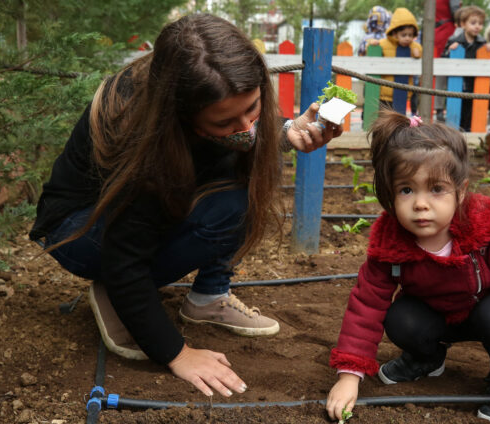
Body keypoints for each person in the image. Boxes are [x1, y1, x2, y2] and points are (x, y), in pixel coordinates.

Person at [29, 14, 342, 398]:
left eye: (254, 108)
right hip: (78, 232)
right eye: (226, 121)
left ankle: (208, 297)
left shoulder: (191, 90)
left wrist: (286, 130)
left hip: (122, 221)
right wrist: (177, 353)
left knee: (248, 168)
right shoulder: (146, 146)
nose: (247, 128)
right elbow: (126, 256)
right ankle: (112, 291)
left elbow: (243, 131)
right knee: (232, 202)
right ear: (182, 113)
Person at [326, 110, 490, 424]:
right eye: (407, 190)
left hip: (487, 313)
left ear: (460, 192)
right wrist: (349, 376)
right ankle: (427, 358)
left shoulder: (487, 231)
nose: (421, 204)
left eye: (436, 189)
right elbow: (366, 306)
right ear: (391, 195)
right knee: (400, 317)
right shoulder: (390, 243)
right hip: (434, 316)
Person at [443, 6, 487, 132]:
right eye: (473, 23)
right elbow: (443, 60)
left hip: (474, 83)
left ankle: (468, 132)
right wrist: (450, 50)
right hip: (457, 84)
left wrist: (489, 50)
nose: (477, 26)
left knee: (471, 110)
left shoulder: (482, 43)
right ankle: (454, 132)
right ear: (463, 24)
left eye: (480, 23)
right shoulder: (454, 40)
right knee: (456, 109)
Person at [374, 7, 423, 115]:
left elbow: (420, 51)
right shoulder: (384, 43)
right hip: (385, 90)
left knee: (399, 116)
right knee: (384, 117)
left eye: (410, 35)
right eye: (404, 35)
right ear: (395, 33)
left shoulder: (414, 46)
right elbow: (373, 48)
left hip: (403, 90)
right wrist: (373, 44)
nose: (407, 38)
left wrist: (417, 54)